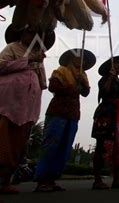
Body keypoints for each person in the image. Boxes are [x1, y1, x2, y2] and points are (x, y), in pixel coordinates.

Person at [0, 26, 49, 194]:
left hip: (26, 107)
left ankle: (6, 180)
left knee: (17, 143)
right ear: (22, 33)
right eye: (28, 32)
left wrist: (37, 63)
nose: (32, 35)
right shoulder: (13, 47)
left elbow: (43, 83)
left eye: (35, 32)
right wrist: (27, 61)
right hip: (5, 103)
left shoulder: (39, 55)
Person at [34, 48, 95, 192]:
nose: (82, 61)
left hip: (73, 113)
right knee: (51, 144)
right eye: (79, 57)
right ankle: (42, 179)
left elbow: (86, 93)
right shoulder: (61, 70)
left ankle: (52, 178)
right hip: (58, 111)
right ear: (71, 58)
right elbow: (53, 87)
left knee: (65, 147)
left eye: (83, 59)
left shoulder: (83, 75)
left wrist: (82, 83)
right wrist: (72, 87)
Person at [91, 55, 119, 190]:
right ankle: (97, 179)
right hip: (105, 113)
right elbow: (104, 92)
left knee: (118, 146)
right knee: (101, 145)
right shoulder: (104, 80)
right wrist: (110, 77)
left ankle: (117, 178)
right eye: (117, 63)